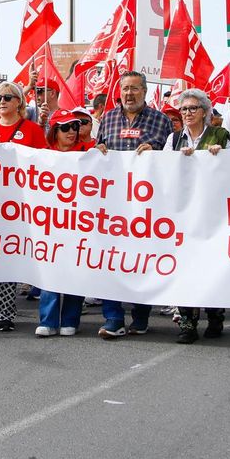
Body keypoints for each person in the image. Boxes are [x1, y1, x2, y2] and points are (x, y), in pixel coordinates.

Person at [93, 71, 174, 337]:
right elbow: (98, 149)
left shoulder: (161, 121)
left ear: (145, 91)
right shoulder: (108, 118)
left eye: (135, 89)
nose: (129, 94)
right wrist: (100, 151)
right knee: (109, 259)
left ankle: (141, 316)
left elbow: (171, 157)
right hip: (113, 204)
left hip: (146, 205)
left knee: (142, 260)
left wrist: (156, 153)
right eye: (125, 88)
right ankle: (113, 318)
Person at [0, 80, 48, 331]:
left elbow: (45, 165)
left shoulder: (32, 130)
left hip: (22, 206)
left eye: (8, 97)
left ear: (19, 102)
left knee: (11, 255)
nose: (2, 102)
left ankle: (4, 314)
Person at [167, 89, 230, 344]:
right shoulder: (174, 139)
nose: (187, 113)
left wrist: (219, 157)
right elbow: (163, 171)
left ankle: (215, 316)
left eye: (193, 108)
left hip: (212, 212)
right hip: (184, 212)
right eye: (184, 109)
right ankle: (187, 322)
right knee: (185, 268)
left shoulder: (220, 135)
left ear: (205, 112)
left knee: (211, 266)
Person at [35, 108, 95, 337]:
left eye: (76, 126)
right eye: (66, 127)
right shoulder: (43, 155)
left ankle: (70, 319)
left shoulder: (89, 151)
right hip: (51, 221)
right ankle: (48, 320)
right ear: (54, 131)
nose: (72, 131)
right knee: (50, 269)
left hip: (80, 220)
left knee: (75, 268)